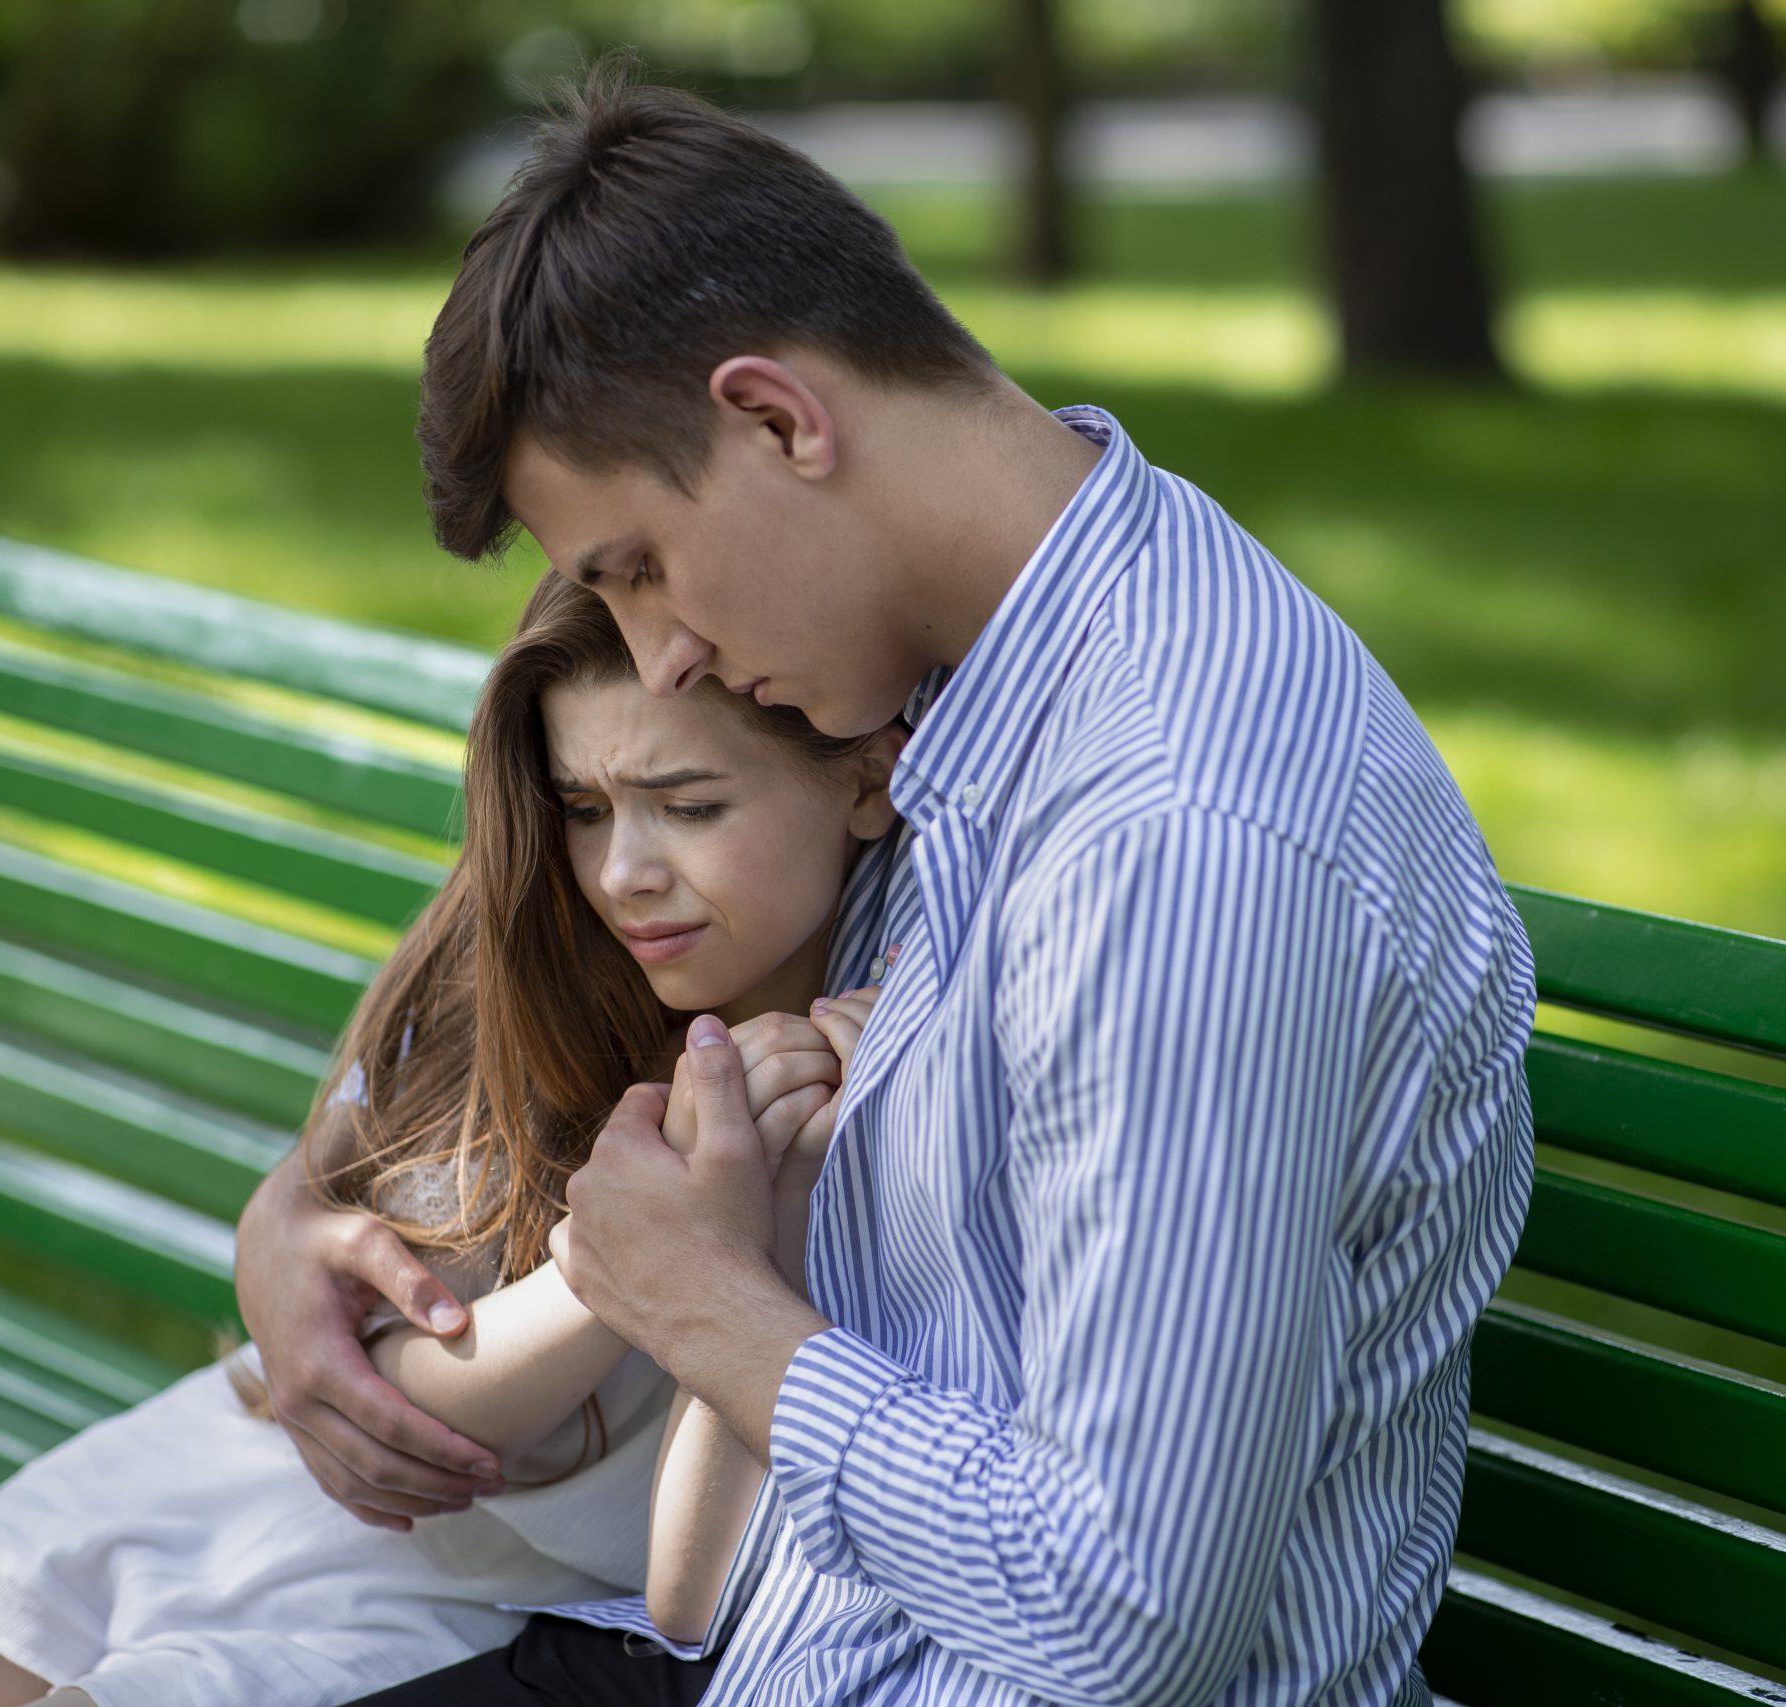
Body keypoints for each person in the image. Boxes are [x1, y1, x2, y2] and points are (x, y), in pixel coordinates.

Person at [253, 59, 1539, 1707]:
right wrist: (290, 1219)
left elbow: (1127, 1615)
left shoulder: (1172, 831)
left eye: (639, 567)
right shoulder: (970, 679)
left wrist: (711, 1307)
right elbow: (498, 1000)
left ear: (782, 419)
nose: (666, 652)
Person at [0, 572, 905, 1707]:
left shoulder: (876, 1067)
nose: (622, 873)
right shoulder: (532, 972)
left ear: (868, 780)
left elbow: (697, 1585)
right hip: (276, 1454)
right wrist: (631, 1245)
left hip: (484, 1600)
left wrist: (717, 1229)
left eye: (689, 807)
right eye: (584, 810)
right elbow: (399, 1388)